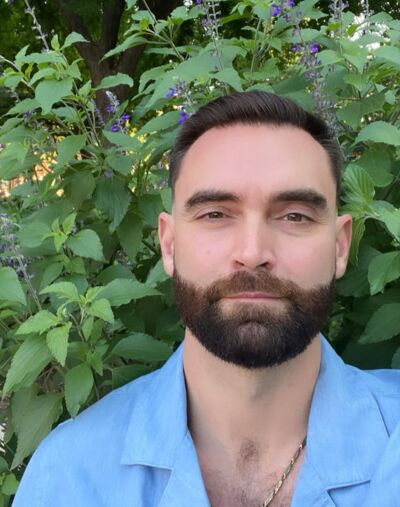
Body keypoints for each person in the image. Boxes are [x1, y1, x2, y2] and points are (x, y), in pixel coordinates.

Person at [13, 91, 400, 507]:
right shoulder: (67, 476)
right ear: (169, 245)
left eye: (295, 216)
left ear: (340, 247)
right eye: (215, 214)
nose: (252, 252)